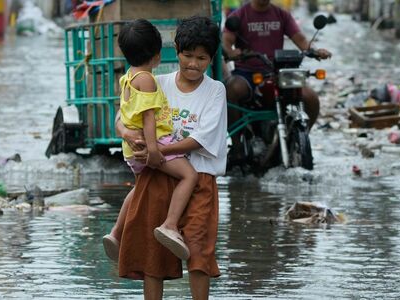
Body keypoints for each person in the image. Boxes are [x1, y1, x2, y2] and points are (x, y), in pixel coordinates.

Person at [109, 16, 226, 299]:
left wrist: (157, 151)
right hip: (158, 176)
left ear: (212, 58)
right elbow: (122, 117)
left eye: (202, 58)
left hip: (199, 179)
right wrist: (128, 135)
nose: (193, 64)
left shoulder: (215, 91)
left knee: (198, 251)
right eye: (188, 56)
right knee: (154, 256)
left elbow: (199, 140)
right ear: (175, 50)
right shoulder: (154, 82)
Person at [107, 19, 199, 261]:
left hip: (130, 149)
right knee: (189, 176)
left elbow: (126, 113)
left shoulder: (127, 77)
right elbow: (148, 118)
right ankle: (169, 224)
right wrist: (155, 151)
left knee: (139, 189)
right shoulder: (147, 79)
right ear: (157, 54)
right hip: (152, 144)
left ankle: (116, 232)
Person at [221, 0, 331, 153]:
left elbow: (300, 39)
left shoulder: (282, 14)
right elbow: (226, 40)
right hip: (248, 72)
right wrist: (231, 52)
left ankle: (301, 137)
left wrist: (315, 50)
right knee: (231, 90)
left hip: (277, 72)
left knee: (311, 98)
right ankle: (237, 146)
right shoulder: (239, 15)